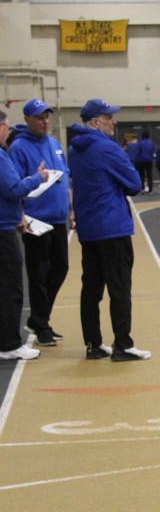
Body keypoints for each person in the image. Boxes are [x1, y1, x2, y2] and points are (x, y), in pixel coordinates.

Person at [68, 99, 151, 361]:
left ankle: (93, 344)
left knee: (91, 289)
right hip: (113, 227)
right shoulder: (107, 147)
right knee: (119, 287)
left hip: (89, 228)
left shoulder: (74, 148)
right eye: (108, 117)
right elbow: (134, 183)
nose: (113, 121)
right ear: (95, 122)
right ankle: (123, 345)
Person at [7, 99, 72, 348]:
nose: (45, 122)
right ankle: (41, 324)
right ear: (27, 120)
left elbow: (65, 177)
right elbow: (14, 185)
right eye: (39, 117)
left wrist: (71, 209)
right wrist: (20, 215)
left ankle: (38, 319)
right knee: (38, 274)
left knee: (61, 268)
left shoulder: (54, 144)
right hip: (36, 219)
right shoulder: (19, 148)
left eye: (47, 116)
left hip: (58, 218)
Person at [0, 110, 49, 361]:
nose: (9, 132)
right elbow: (13, 188)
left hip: (6, 222)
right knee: (10, 287)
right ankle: (9, 344)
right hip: (2, 231)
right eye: (7, 127)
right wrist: (37, 178)